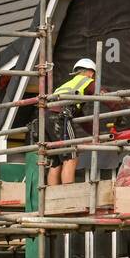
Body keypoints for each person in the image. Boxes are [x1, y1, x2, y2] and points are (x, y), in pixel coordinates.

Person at [47, 58, 96, 186]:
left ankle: (52, 200)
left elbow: (79, 115)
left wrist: (95, 134)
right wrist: (119, 112)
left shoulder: (65, 87)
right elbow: (104, 95)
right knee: (71, 158)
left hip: (47, 120)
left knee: (56, 160)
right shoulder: (87, 81)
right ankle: (69, 199)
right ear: (90, 73)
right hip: (61, 118)